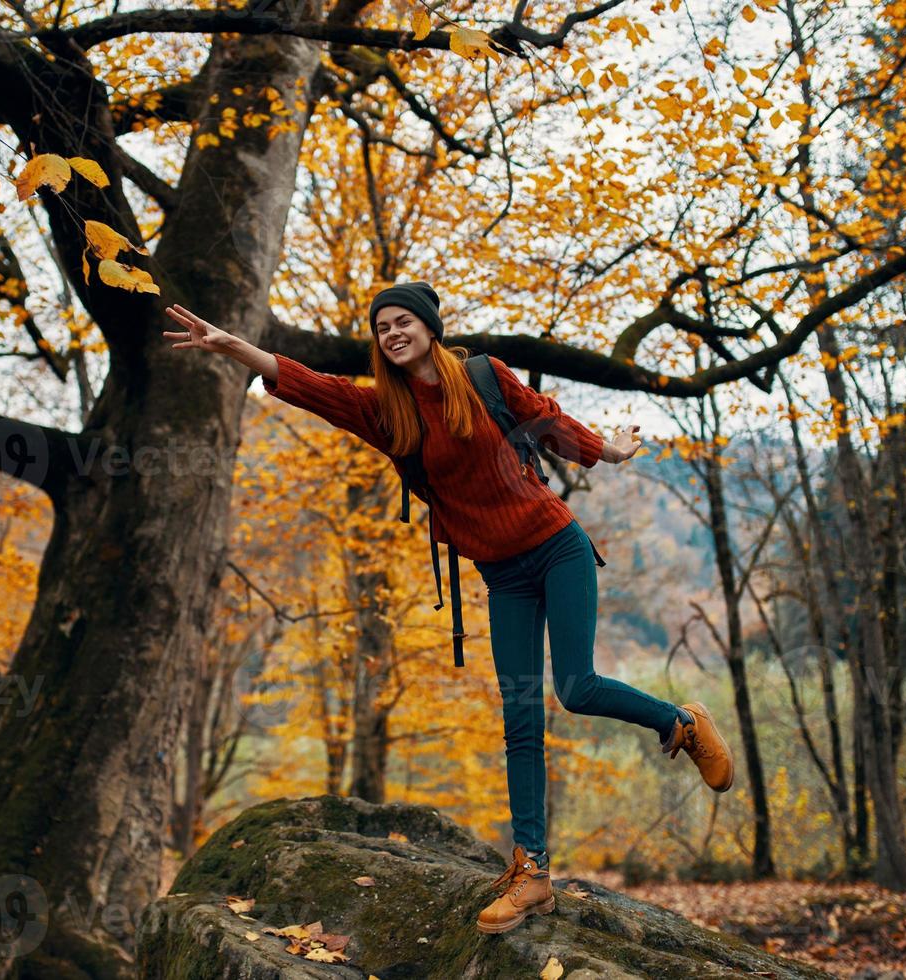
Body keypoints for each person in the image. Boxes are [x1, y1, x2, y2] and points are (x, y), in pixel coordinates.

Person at [162, 282, 735, 935]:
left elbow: (547, 420)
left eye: (403, 322)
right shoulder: (388, 412)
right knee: (520, 719)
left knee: (576, 687)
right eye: (382, 328)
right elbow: (305, 382)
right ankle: (534, 875)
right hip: (503, 575)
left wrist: (609, 450)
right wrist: (231, 345)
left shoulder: (484, 376)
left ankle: (680, 722)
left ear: (429, 327)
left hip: (557, 548)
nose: (392, 334)